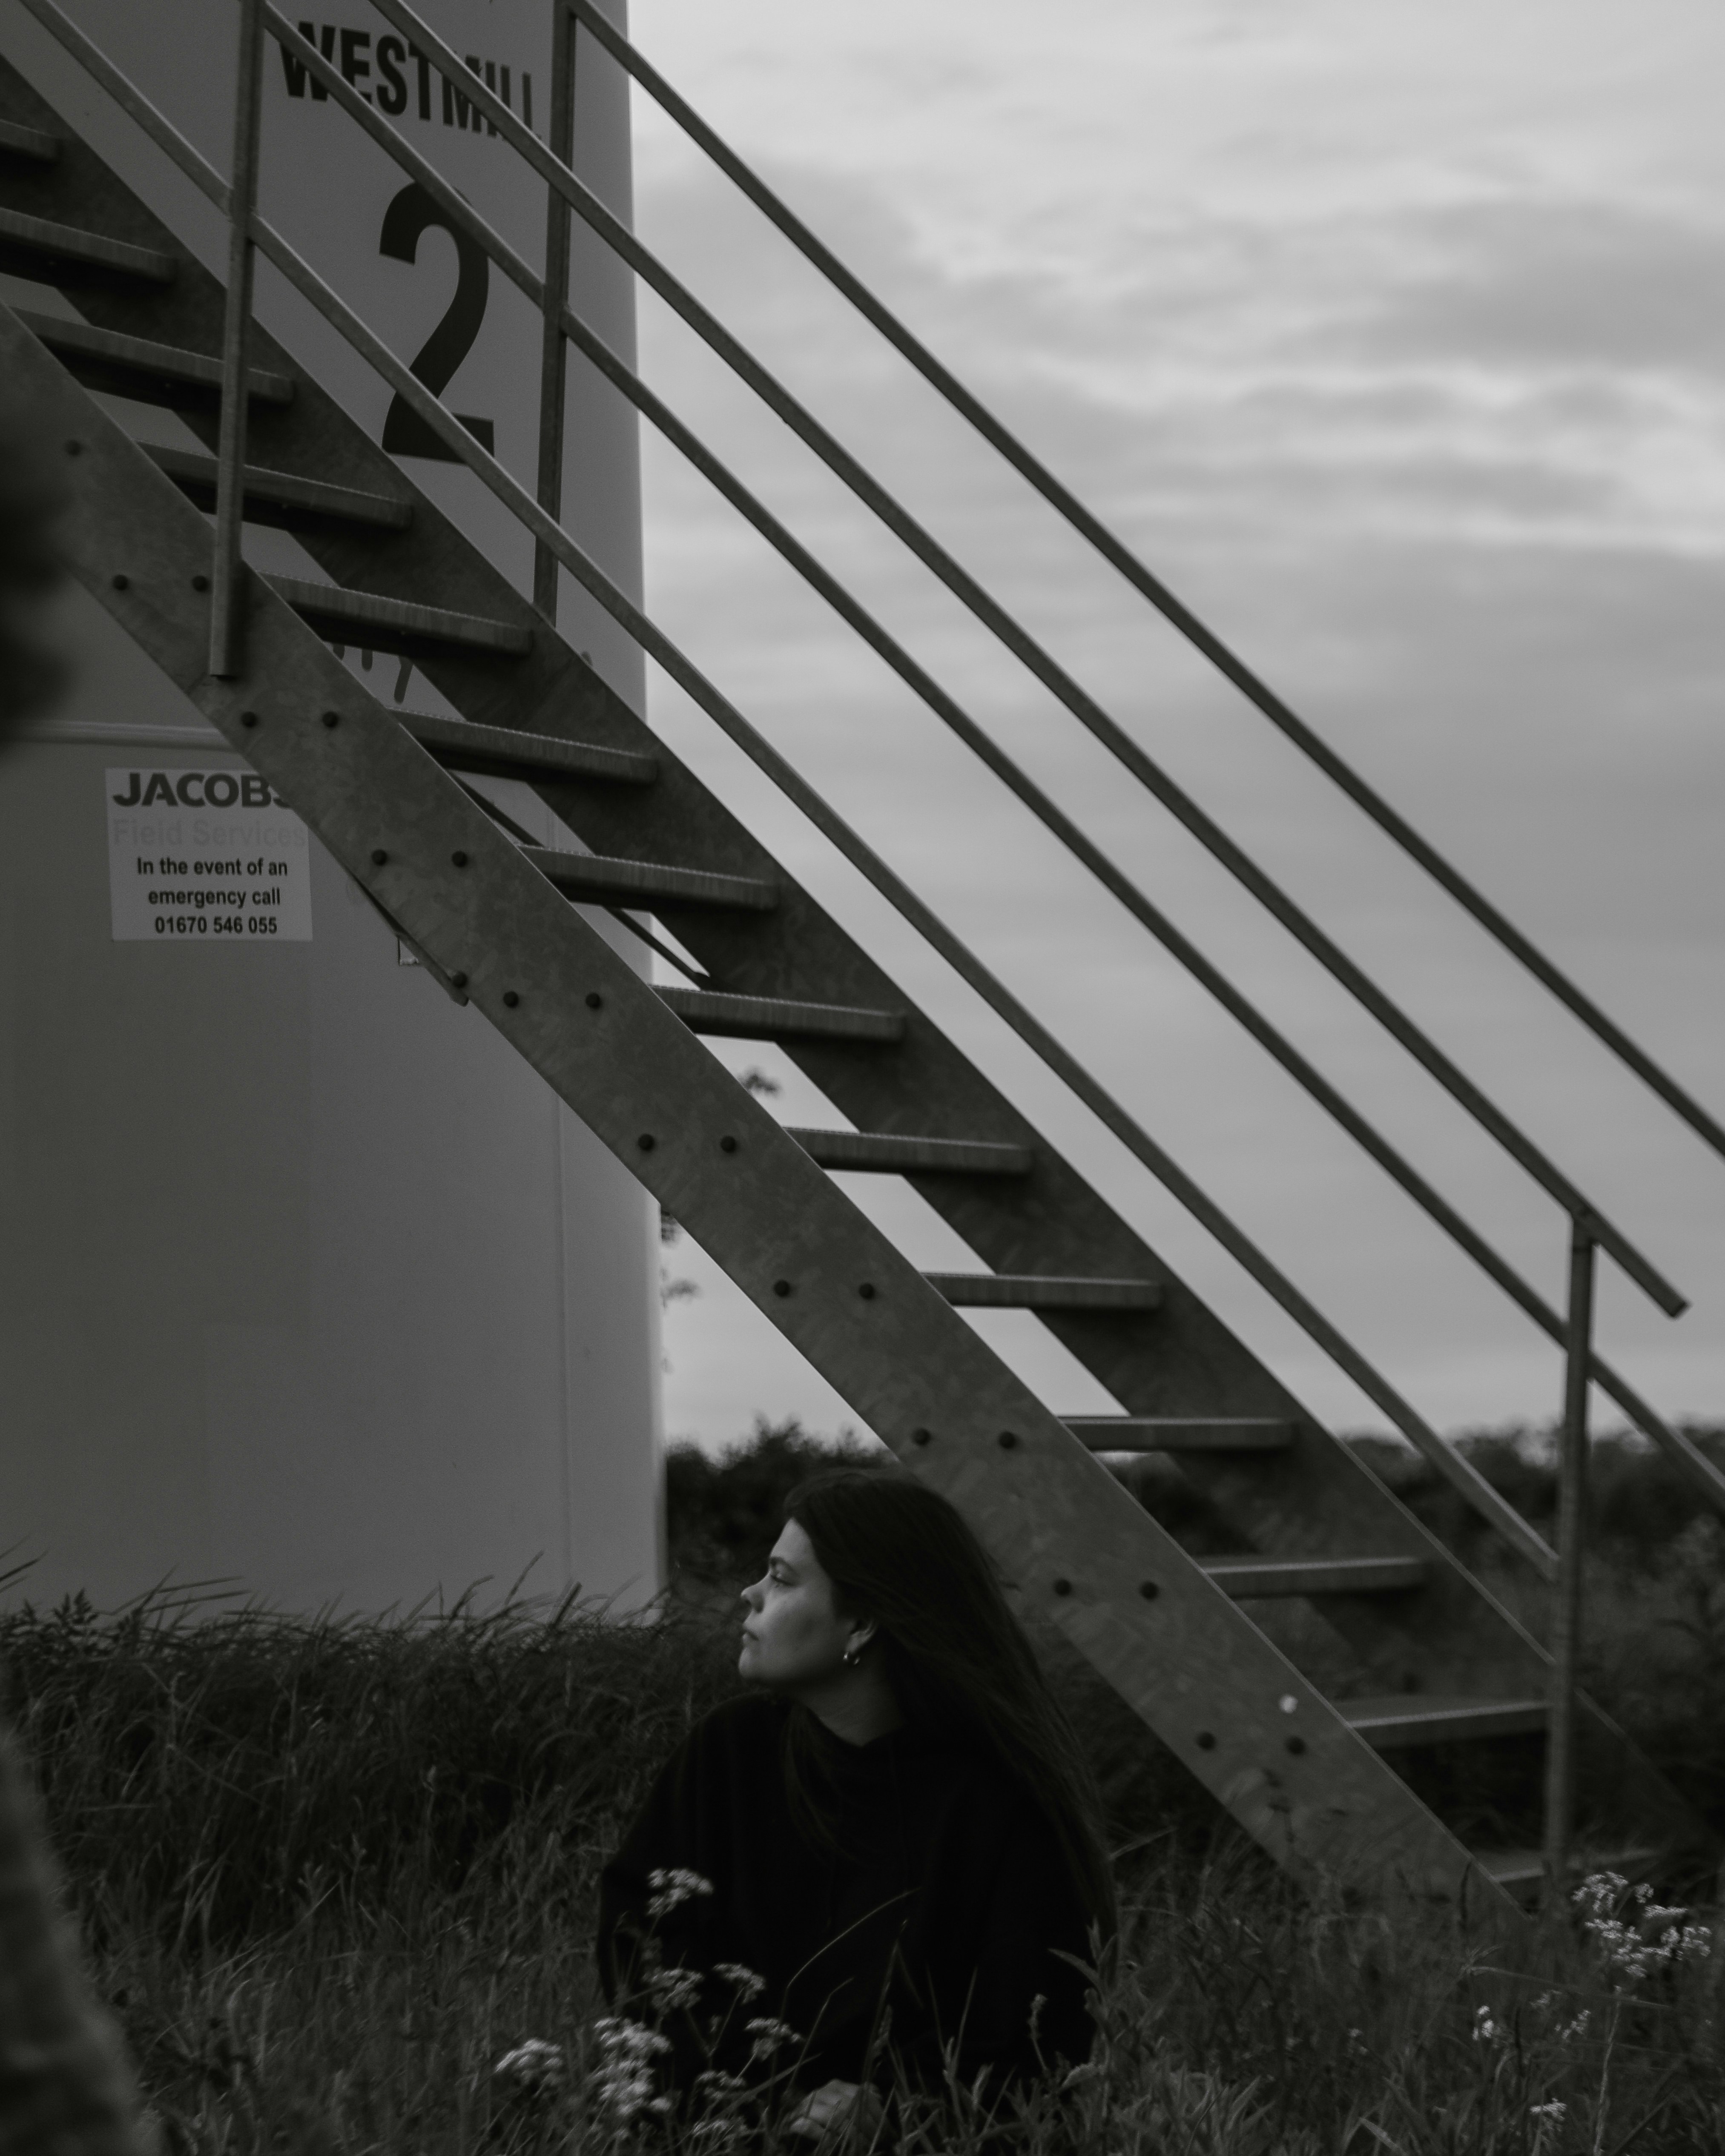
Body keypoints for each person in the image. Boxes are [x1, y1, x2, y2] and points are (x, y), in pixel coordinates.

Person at [599, 1469, 1115, 2134]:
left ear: (863, 1622)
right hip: (707, 2129)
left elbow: (1024, 2053)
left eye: (782, 1579)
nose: (749, 1594)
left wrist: (892, 2116)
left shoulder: (1003, 1812)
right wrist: (746, 2093)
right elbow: (638, 1938)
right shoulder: (730, 1753)